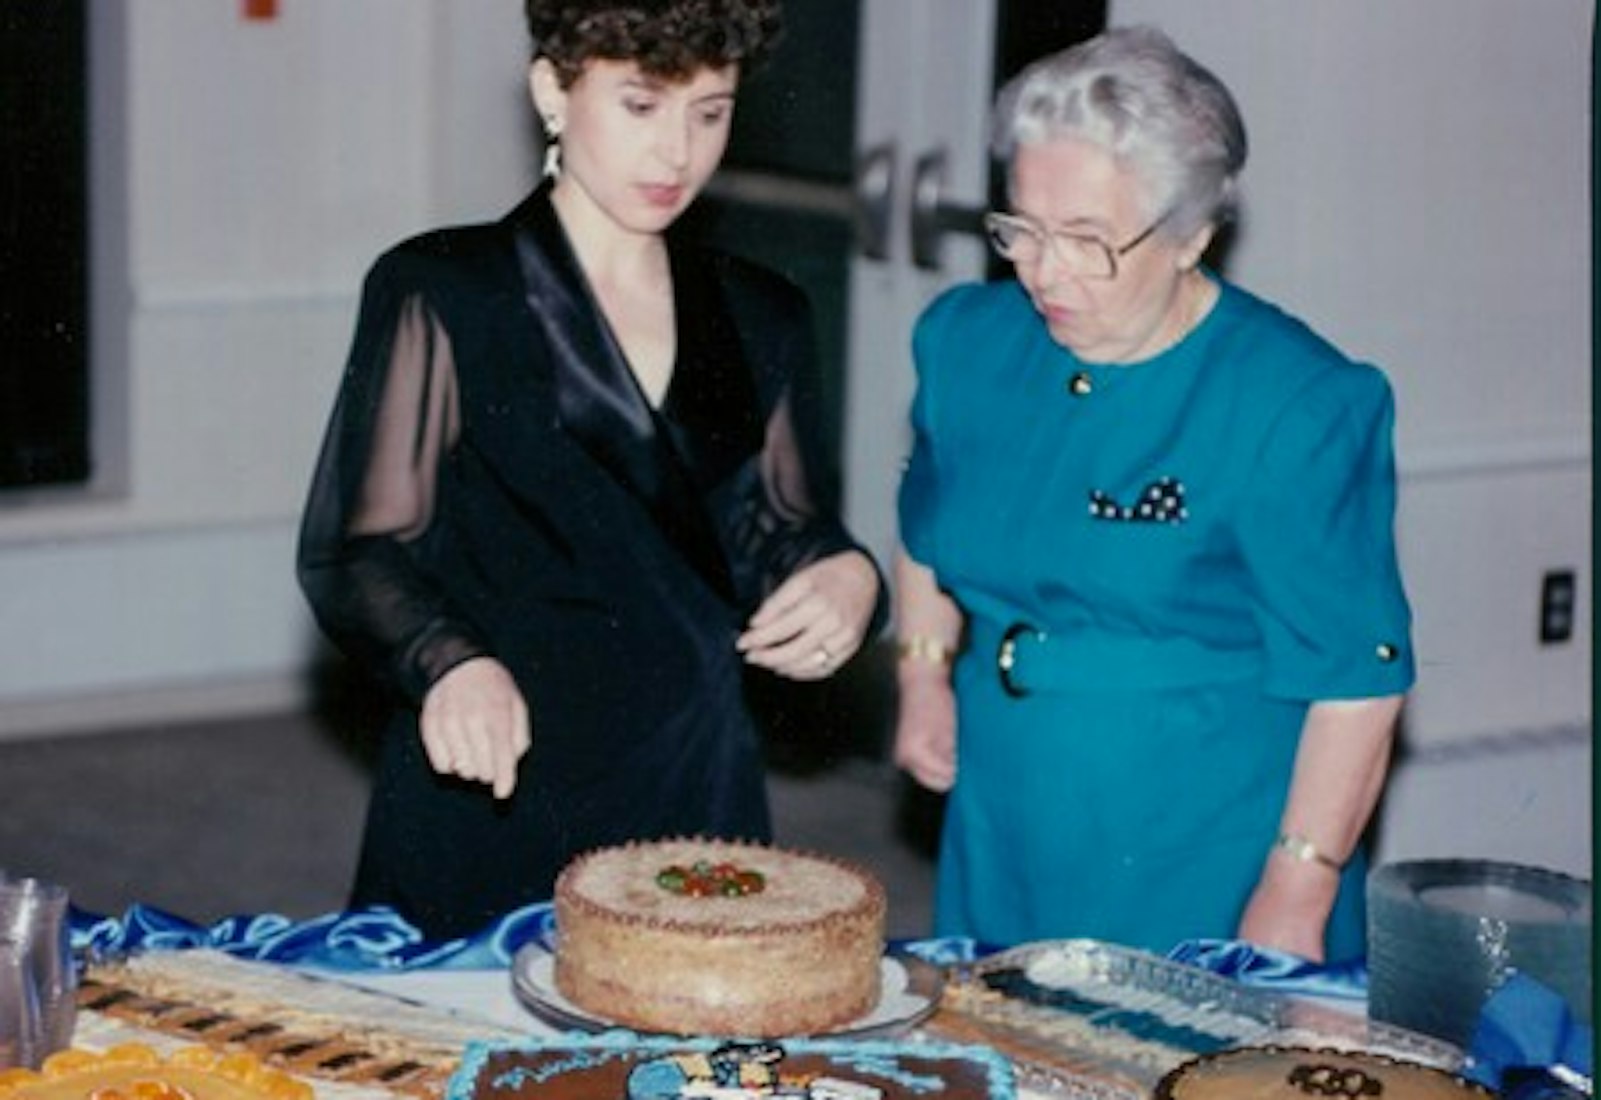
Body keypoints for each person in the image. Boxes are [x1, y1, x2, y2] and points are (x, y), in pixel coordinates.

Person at [297, 0, 883, 941]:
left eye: (710, 112)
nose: (677, 155)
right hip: (497, 759)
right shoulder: (443, 289)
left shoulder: (762, 311)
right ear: (552, 92)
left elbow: (788, 529)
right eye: (642, 105)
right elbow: (357, 549)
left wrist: (851, 578)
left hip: (692, 769)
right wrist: (451, 662)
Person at [892, 25, 1413, 963]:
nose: (1044, 271)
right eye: (1022, 229)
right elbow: (928, 527)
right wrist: (924, 671)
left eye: (1088, 241)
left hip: (1202, 834)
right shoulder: (966, 344)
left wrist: (1300, 882)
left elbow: (1359, 680)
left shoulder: (1293, 404)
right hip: (1004, 816)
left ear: (1191, 236)